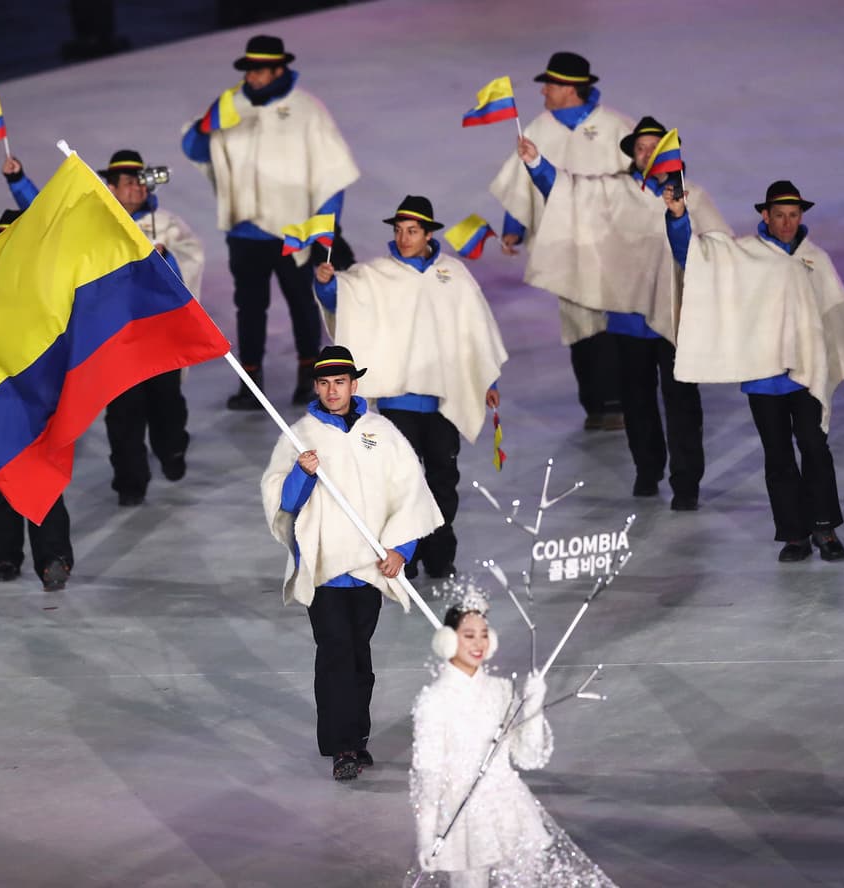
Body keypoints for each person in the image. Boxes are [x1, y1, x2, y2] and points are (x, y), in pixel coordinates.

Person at [515, 118, 732, 508]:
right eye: (640, 147)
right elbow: (567, 192)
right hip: (628, 320)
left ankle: (686, 484)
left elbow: (721, 252)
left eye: (654, 146)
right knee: (637, 401)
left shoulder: (693, 197)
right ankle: (647, 471)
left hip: (679, 321)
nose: (646, 153)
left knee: (682, 403)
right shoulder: (614, 190)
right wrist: (537, 165)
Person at [665, 181, 844, 561]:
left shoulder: (816, 258)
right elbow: (695, 256)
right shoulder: (746, 253)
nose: (786, 222)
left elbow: (834, 312)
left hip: (808, 372)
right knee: (778, 455)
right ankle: (795, 535)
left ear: (801, 217)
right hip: (764, 375)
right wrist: (679, 217)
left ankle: (824, 528)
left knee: (815, 447)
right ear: (765, 215)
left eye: (793, 215)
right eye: (779, 215)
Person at [261, 346, 442, 781]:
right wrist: (301, 473)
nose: (332, 390)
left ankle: (353, 740)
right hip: (325, 571)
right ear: (317, 387)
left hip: (368, 571)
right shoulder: (300, 436)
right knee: (337, 651)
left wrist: (403, 550)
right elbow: (283, 501)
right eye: (324, 383)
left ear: (354, 384)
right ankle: (344, 746)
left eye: (339, 382)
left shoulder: (381, 432)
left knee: (358, 655)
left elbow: (410, 492)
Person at [313, 196, 506, 579]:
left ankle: (439, 554)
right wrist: (326, 285)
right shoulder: (376, 273)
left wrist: (488, 380)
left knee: (442, 480)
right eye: (399, 231)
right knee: (402, 482)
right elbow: (343, 297)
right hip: (398, 399)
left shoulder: (453, 274)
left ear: (428, 233)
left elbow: (476, 330)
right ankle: (406, 554)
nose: (404, 238)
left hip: (443, 400)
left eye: (412, 231)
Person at [0, 149, 205, 505]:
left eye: (141, 180)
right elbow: (48, 217)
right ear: (110, 187)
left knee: (167, 406)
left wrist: (165, 259)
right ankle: (130, 481)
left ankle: (172, 450)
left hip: (158, 337)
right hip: (117, 341)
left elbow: (191, 259)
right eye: (128, 182)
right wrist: (19, 181)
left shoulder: (167, 223)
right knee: (124, 414)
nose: (137, 188)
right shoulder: (94, 225)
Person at [182, 34, 360, 409]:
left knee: (302, 303)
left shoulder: (307, 110)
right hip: (244, 231)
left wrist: (325, 229)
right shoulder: (232, 106)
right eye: (249, 70)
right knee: (249, 307)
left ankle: (307, 375)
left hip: (293, 232)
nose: (253, 77)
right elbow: (196, 149)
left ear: (280, 69)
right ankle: (251, 382)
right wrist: (205, 125)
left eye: (260, 70)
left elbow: (332, 172)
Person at [410, 595, 616, 887]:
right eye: (468, 635)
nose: (478, 643)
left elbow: (528, 757)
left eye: (484, 634)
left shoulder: (501, 690)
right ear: (448, 640)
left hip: (510, 809)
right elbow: (428, 778)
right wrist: (425, 836)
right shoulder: (434, 701)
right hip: (461, 815)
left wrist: (533, 706)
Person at [489, 52, 632, 431]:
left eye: (550, 84)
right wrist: (513, 228)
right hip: (563, 244)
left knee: (609, 318)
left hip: (609, 244)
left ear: (570, 88)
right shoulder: (538, 129)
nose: (544, 91)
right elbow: (522, 182)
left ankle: (616, 401)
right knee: (577, 321)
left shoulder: (617, 128)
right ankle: (596, 405)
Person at [0, 210, 77, 588]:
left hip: (38, 407)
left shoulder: (49, 296)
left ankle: (53, 558)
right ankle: (3, 556)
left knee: (43, 482)